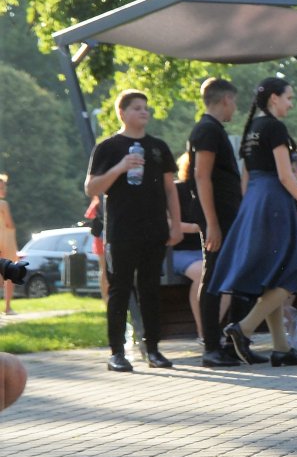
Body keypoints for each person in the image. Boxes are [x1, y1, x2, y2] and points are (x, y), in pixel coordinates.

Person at [210, 77, 297, 367]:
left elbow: (246, 178)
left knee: (275, 275)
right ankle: (243, 328)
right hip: (274, 200)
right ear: (274, 98)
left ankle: (281, 349)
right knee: (293, 270)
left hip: (255, 203)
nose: (291, 103)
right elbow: (286, 176)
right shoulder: (274, 127)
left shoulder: (252, 129)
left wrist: (250, 210)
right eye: (288, 97)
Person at [84, 89, 183, 371]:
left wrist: (175, 224)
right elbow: (91, 188)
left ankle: (153, 350)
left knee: (151, 288)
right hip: (121, 230)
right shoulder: (108, 147)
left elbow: (170, 189)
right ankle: (117, 352)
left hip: (154, 229)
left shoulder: (158, 147)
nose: (144, 112)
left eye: (146, 108)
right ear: (123, 113)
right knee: (120, 289)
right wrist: (120, 168)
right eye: (137, 108)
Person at [188, 77, 245, 366]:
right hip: (218, 220)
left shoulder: (213, 130)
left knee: (229, 279)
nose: (235, 107)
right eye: (233, 101)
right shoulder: (207, 130)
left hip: (227, 218)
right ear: (224, 100)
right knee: (212, 280)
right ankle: (211, 347)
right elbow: (201, 176)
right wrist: (212, 223)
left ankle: (231, 343)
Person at [170, 153, 207, 344]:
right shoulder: (177, 190)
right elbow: (166, 222)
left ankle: (213, 326)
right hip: (179, 252)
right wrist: (195, 228)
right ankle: (203, 332)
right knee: (203, 273)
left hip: (206, 250)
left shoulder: (211, 191)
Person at [0, 173, 16, 316]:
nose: (4, 190)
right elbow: (9, 223)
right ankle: (8, 307)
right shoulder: (3, 204)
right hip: (5, 239)